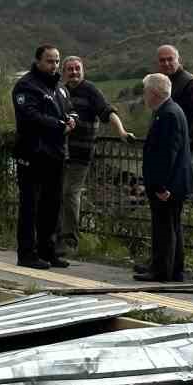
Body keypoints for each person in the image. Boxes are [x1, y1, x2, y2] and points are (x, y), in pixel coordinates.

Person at [57, 55, 131, 256]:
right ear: (64, 72)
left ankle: (70, 241)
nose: (74, 72)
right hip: (59, 152)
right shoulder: (60, 91)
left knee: (70, 193)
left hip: (81, 153)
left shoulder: (90, 91)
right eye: (70, 69)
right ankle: (55, 238)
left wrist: (122, 132)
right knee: (57, 194)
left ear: (83, 70)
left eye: (77, 68)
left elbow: (108, 112)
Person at [12, 43, 76, 270]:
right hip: (33, 154)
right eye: (50, 61)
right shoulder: (26, 86)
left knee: (52, 205)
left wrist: (71, 120)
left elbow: (68, 108)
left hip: (56, 156)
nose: (54, 65)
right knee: (31, 206)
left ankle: (48, 251)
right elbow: (30, 116)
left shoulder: (58, 87)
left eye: (57, 61)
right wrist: (59, 125)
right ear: (38, 61)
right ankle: (27, 254)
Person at [137, 72, 193, 283]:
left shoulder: (168, 114)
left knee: (164, 228)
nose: (144, 95)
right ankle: (173, 269)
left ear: (153, 92)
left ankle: (162, 270)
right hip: (173, 183)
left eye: (145, 91)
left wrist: (161, 186)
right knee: (171, 227)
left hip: (169, 184)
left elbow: (167, 153)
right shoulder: (168, 111)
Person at [155, 44, 193, 150]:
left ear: (178, 60)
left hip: (181, 147)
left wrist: (188, 136)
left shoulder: (189, 82)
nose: (166, 63)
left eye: (170, 59)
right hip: (169, 143)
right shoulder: (167, 81)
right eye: (162, 60)